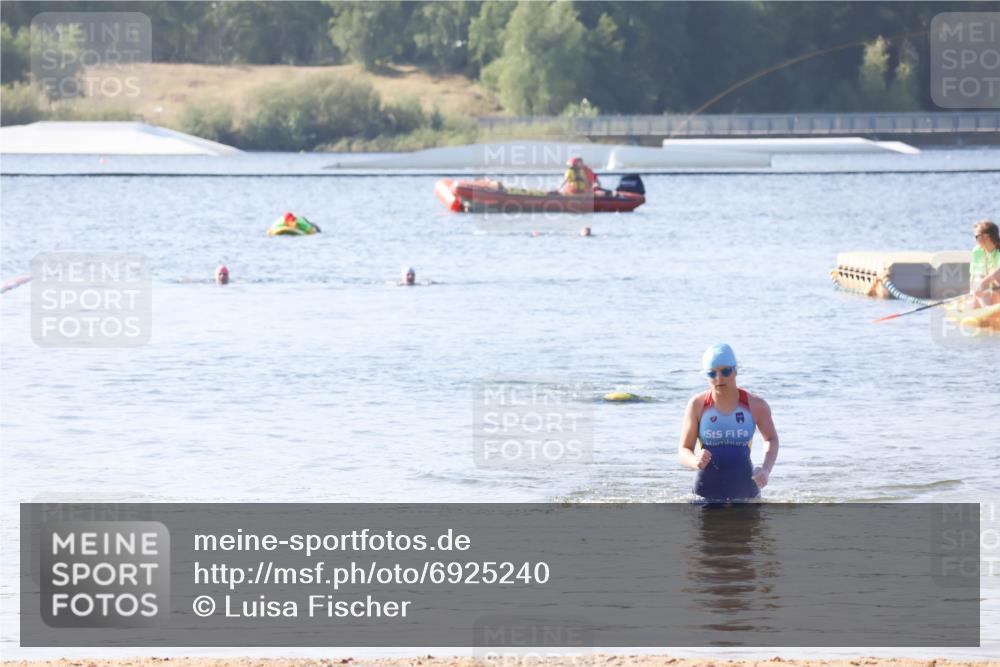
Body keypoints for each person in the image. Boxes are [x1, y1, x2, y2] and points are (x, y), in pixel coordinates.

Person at [678, 343, 779, 502]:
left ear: (735, 370)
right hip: (704, 494)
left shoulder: (756, 405)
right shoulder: (697, 405)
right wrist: (694, 460)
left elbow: (771, 439)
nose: (719, 378)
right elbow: (684, 450)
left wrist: (766, 469)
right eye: (712, 374)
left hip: (746, 494)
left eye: (725, 371)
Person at [969, 220, 1000, 308]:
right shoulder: (977, 251)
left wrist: (983, 283)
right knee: (979, 279)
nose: (975, 239)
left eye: (977, 236)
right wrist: (972, 290)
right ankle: (986, 310)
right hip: (985, 292)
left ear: (987, 237)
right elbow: (973, 275)